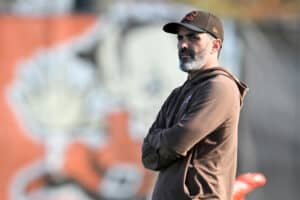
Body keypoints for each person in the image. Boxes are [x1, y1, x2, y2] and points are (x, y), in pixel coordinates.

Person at [141, 10, 249, 200]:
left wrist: (160, 140)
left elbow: (177, 142)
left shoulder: (220, 87)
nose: (183, 45)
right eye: (180, 38)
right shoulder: (178, 93)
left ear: (215, 45)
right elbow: (147, 154)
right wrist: (162, 141)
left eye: (193, 38)